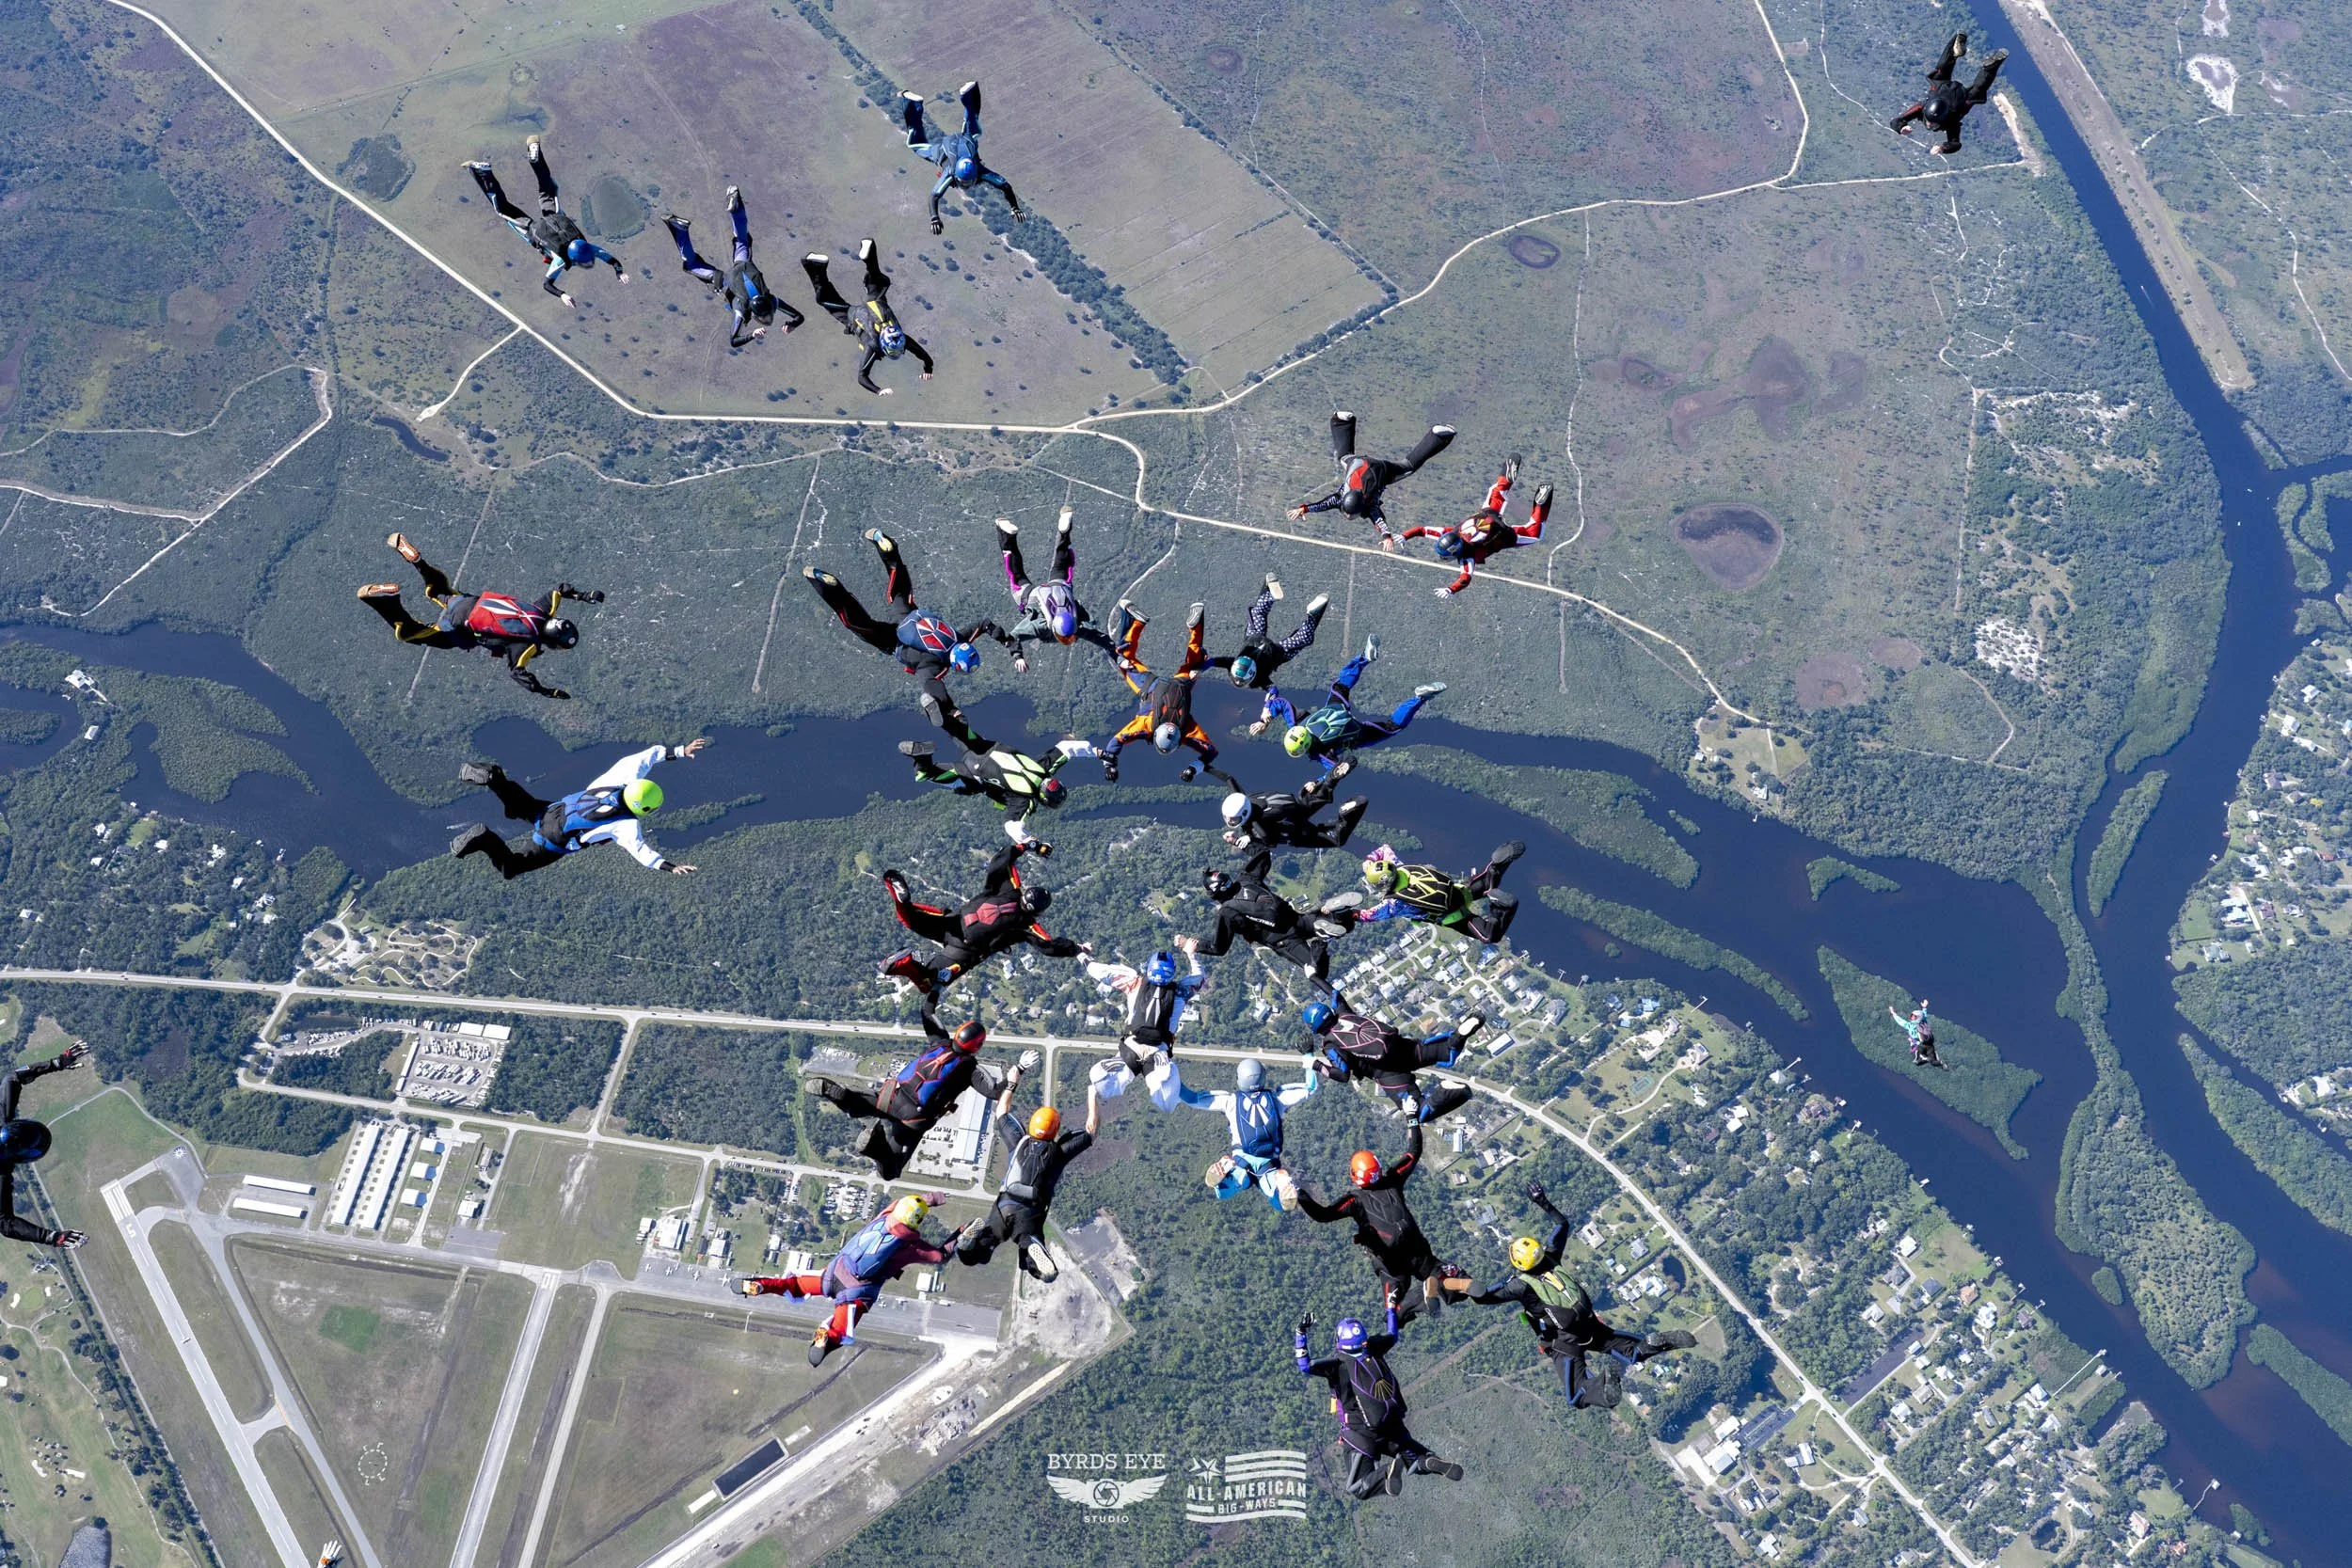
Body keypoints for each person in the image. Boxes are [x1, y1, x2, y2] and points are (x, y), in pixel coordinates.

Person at [1470, 1182, 1695, 1409]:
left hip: (1564, 1340)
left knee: (1576, 1396)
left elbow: (1484, 1298)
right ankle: (1650, 1344)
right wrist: (1542, 1201)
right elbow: (1562, 1224)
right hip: (1589, 1324)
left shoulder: (1519, 1286)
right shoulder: (1551, 1257)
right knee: (1632, 1352)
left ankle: (1604, 1388)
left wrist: (1492, 1282)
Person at [804, 529, 1011, 748]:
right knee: (859, 625)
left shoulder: (960, 637)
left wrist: (1006, 641)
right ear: (955, 663)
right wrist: (954, 713)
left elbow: (984, 624)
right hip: (894, 643)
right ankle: (830, 589)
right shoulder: (932, 667)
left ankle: (889, 550)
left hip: (909, 619)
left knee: (900, 591)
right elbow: (936, 692)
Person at [803, 996, 1037, 1180]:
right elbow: (995, 1092)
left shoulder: (940, 1042)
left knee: (860, 1103)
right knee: (891, 1170)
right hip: (912, 1118)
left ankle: (842, 1094)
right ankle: (876, 1150)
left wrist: (936, 984)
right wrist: (1020, 1068)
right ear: (977, 1046)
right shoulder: (970, 1068)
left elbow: (927, 1012)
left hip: (892, 1095)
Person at [357, 531, 600, 698]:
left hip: (470, 602)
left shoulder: (542, 610)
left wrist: (585, 596)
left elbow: (559, 590)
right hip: (460, 626)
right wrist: (546, 691)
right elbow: (518, 673)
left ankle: (418, 561)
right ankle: (388, 601)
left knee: (440, 591)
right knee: (412, 634)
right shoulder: (528, 646)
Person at [738, 1193, 970, 1364]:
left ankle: (759, 1284)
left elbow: (902, 1203)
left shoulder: (885, 1216)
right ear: (916, 1222)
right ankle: (828, 1338)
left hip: (834, 1273)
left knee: (796, 1284)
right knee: (841, 1327)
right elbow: (939, 1256)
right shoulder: (909, 1245)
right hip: (857, 1290)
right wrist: (958, 1235)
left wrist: (929, 1199)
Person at [448, 740, 707, 878]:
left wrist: (680, 751)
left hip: (551, 811)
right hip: (551, 843)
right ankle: (484, 838)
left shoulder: (618, 780)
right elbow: (642, 852)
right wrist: (670, 866)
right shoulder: (625, 825)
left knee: (517, 805)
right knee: (512, 868)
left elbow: (644, 758)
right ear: (645, 809)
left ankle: (493, 777)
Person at [1296, 1126, 1472, 1323]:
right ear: (1377, 1168)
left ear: (1356, 1176)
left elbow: (1323, 1215)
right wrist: (1412, 1119)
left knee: (1393, 1315)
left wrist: (1299, 1194)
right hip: (1416, 1248)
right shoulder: (1392, 1180)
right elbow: (1414, 1152)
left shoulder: (1355, 1200)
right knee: (1442, 1274)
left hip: (1391, 1263)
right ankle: (1452, 1281)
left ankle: (1419, 1300)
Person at [1296, 1302, 1464, 1497]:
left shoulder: (1337, 1365)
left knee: (1358, 1488)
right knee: (1414, 1457)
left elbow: (1305, 1366)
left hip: (1360, 1434)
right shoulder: (1374, 1348)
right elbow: (1392, 1333)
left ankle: (1386, 1474)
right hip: (1392, 1426)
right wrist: (1391, 1308)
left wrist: (1301, 1333)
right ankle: (1427, 1461)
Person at [878, 840, 1085, 995]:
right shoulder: (1026, 925)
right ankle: (904, 965)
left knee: (909, 918)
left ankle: (901, 899)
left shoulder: (1010, 888)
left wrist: (1028, 846)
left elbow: (1002, 861)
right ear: (1037, 912)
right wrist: (1076, 948)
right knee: (929, 984)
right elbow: (1049, 946)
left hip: (952, 921)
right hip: (963, 950)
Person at [957, 1063, 1097, 1281]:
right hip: (1030, 1211)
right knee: (1032, 1248)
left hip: (1004, 1205)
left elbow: (1001, 1111)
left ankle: (970, 1244)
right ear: (1056, 1129)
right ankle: (1032, 1246)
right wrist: (1092, 1094)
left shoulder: (1018, 1141)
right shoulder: (1058, 1151)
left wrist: (1013, 1082)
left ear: (1032, 1124)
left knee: (982, 1246)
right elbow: (1091, 1131)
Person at [462, 139, 629, 307]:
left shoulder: (587, 247)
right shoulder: (561, 260)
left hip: (554, 215)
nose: (588, 263)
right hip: (532, 229)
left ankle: (534, 153)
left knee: (547, 185)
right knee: (502, 209)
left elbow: (611, 260)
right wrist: (562, 295)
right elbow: (547, 285)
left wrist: (619, 272)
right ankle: (482, 172)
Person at [1100, 601, 1234, 784]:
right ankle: (1136, 622)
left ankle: (1196, 627)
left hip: (1181, 684)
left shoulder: (1187, 730)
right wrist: (1110, 765)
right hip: (1151, 686)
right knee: (1123, 659)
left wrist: (1193, 768)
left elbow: (1211, 752)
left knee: (1193, 663)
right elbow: (1117, 741)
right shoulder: (1146, 726)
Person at [1263, 640, 1444, 770]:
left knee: (1393, 726)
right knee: (1341, 685)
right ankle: (1365, 657)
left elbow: (1334, 770)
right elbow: (1281, 703)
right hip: (1336, 709)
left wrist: (1317, 783)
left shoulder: (1320, 753)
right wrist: (1266, 717)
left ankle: (1420, 698)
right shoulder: (1296, 723)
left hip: (1356, 732)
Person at [660, 186, 803, 348]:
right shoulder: (742, 311)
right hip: (724, 281)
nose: (767, 320)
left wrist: (793, 324)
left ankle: (735, 206)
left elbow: (799, 317)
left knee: (742, 239)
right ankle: (680, 230)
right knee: (691, 265)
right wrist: (752, 335)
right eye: (766, 318)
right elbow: (734, 341)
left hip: (744, 266)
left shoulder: (772, 301)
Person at [1168, 1055, 1315, 1210]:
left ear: (1239, 1078)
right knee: (1279, 1204)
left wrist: (1171, 1077)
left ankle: (1226, 1171)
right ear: (1263, 1077)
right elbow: (1311, 1087)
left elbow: (1192, 1098)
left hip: (1241, 1161)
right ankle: (1279, 1182)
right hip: (1268, 1164)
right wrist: (1308, 1054)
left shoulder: (1230, 1101)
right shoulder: (1278, 1099)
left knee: (1225, 1192)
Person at [1301, 996, 1481, 1122]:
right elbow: (1334, 994)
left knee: (1418, 1112)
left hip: (1386, 1073)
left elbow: (1343, 1075)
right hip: (1401, 1048)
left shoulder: (1331, 1045)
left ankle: (1445, 1091)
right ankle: (1457, 1037)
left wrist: (1315, 1064)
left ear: (1314, 1028)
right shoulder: (1344, 1013)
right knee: (1446, 1051)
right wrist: (1313, 973)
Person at [899, 736, 1096, 850]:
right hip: (975, 779)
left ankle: (942, 705)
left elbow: (1067, 748)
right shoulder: (1023, 801)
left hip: (986, 750)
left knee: (958, 730)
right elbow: (1012, 827)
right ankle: (922, 761)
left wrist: (1099, 753)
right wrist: (1032, 843)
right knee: (933, 775)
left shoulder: (1043, 767)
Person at [1289, 412, 1455, 545]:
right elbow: (1321, 505)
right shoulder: (1339, 499)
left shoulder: (1367, 506)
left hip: (1382, 469)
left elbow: (1379, 521)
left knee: (1408, 467)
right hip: (1358, 462)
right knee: (1343, 456)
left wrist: (1387, 537)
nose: (1348, 517)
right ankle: (1341, 420)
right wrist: (1303, 509)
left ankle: (1439, 436)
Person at [1395, 458, 1552, 596]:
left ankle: (1541, 505)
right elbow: (1421, 530)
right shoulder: (1449, 532)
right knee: (1497, 492)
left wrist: (1451, 589)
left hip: (1503, 535)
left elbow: (1465, 578)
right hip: (1487, 514)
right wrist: (1404, 536)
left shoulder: (1466, 556)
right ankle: (1506, 478)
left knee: (1534, 534)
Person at [803, 241, 935, 394]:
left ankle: (869, 250)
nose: (898, 353)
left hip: (875, 301)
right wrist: (878, 391)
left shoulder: (902, 339)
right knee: (825, 300)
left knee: (877, 281)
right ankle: (813, 264)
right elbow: (862, 377)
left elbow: (925, 357)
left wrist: (928, 369)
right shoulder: (874, 347)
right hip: (853, 315)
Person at [1188, 849, 1340, 981]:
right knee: (1343, 924)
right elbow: (1264, 855)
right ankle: (1335, 914)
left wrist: (1194, 945)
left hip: (1284, 941)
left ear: (1213, 893)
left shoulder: (1227, 913)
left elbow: (1218, 948)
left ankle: (1319, 945)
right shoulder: (1245, 879)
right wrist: (1242, 841)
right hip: (1296, 919)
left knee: (1319, 973)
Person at [900, 81, 1026, 234]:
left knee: (973, 124)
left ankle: (966, 93)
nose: (965, 185)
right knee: (916, 145)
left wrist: (1015, 207)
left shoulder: (977, 171)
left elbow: (1005, 185)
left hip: (966, 140)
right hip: (943, 150)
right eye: (964, 182)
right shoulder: (957, 173)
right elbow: (933, 196)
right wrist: (934, 218)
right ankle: (913, 103)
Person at [1086, 948, 1206, 1104]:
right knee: (1166, 1102)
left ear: (1149, 969)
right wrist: (1191, 954)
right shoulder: (1181, 991)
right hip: (1158, 1050)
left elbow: (1100, 972)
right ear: (1173, 972)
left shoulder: (1134, 982)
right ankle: (1165, 1073)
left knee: (1106, 1088)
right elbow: (1200, 978)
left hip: (1132, 1045)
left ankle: (1114, 1064)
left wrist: (1081, 954)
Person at [996, 509, 1115, 666]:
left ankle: (1064, 532)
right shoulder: (1041, 626)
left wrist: (1118, 654)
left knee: (1061, 564)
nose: (1069, 640)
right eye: (1068, 638)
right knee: (1017, 576)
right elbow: (1013, 636)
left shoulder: (1076, 626)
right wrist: (1018, 657)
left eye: (1069, 638)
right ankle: (1006, 534)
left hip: (1058, 588)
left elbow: (1101, 639)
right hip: (1033, 598)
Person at [1, 1042, 90, 1248]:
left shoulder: (2, 1120)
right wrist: (50, 1237)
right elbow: (6, 1225)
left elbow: (13, 1078)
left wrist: (55, 1063)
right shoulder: (2, 1173)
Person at [1347, 841, 1525, 944]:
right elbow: (1385, 848)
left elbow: (1367, 916)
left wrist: (1346, 914)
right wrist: (1370, 861)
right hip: (1456, 892)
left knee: (1489, 935)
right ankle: (1495, 866)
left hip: (1452, 916)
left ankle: (1501, 908)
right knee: (1485, 885)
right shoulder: (1400, 867)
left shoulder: (1394, 904)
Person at [1890, 33, 2009, 155]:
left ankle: (1987, 66)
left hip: (1958, 99)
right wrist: (1901, 127)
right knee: (1948, 74)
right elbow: (1896, 121)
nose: (1930, 125)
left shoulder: (1948, 120)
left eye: (1933, 123)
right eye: (1931, 122)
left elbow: (1955, 143)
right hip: (1943, 89)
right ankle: (1976, 60)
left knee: (1975, 87)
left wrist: (1943, 148)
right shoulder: (1923, 108)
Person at [1209, 576, 1328, 691]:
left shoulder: (1256, 679)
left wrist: (1272, 693)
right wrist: (1205, 664)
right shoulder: (1234, 668)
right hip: (1254, 639)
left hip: (1275, 653)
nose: (1239, 682)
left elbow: (1268, 685)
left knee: (1304, 637)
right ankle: (1269, 594)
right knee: (1258, 613)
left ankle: (1313, 615)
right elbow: (1222, 661)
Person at [1219, 764, 1369, 852]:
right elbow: (1228, 779)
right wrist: (1204, 767)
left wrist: (1242, 839)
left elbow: (1269, 842)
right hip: (1297, 805)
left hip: (1296, 832)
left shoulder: (1258, 822)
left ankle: (1345, 815)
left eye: (1233, 819)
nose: (1230, 821)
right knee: (1319, 796)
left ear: (1244, 813)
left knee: (1336, 840)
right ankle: (1329, 780)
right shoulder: (1245, 799)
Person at [1891, 998, 1946, 1069]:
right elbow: (1924, 1016)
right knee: (1933, 1061)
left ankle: (1925, 1058)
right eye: (1912, 1016)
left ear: (1917, 1018)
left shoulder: (1911, 1026)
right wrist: (1924, 1007)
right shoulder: (1924, 1022)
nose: (1911, 1018)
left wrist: (1894, 1014)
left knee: (1916, 1062)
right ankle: (1941, 1064)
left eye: (1913, 1017)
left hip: (1919, 1047)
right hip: (1930, 1045)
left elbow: (1901, 1022)